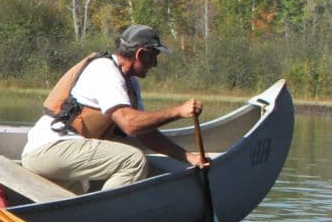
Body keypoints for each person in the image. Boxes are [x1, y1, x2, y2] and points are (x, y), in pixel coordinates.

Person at [21, 24, 208, 193]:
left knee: (76, 196)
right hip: (49, 150)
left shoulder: (130, 83)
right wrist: (178, 111)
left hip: (63, 154)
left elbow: (145, 133)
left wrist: (188, 157)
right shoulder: (105, 70)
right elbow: (129, 125)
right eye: (154, 56)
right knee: (132, 160)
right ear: (141, 54)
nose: (155, 64)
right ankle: (103, 218)